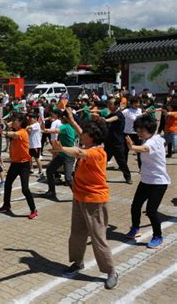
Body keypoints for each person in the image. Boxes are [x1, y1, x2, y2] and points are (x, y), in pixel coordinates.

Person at [51, 109, 118, 290]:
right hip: (79, 198)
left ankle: (111, 271)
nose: (82, 135)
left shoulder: (97, 153)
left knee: (98, 238)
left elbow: (79, 153)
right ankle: (78, 262)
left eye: (86, 134)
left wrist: (62, 149)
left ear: (93, 137)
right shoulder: (89, 144)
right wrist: (72, 119)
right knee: (77, 234)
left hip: (95, 200)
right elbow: (81, 134)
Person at [125, 114, 171, 249]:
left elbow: (145, 149)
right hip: (146, 181)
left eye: (142, 131)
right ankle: (135, 229)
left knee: (151, 211)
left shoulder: (154, 140)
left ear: (150, 130)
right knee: (135, 206)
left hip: (158, 183)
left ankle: (158, 236)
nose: (139, 133)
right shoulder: (147, 139)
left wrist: (132, 147)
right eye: (137, 130)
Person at [0, 114, 38, 219]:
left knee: (25, 189)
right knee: (8, 184)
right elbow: (10, 130)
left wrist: (2, 132)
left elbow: (14, 134)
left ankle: (33, 209)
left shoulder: (23, 132)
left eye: (15, 120)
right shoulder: (15, 130)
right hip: (15, 163)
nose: (13, 121)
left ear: (21, 122)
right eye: (13, 120)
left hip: (24, 164)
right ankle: (6, 205)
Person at [42, 111, 77, 200]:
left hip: (68, 156)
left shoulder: (65, 126)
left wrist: (45, 130)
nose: (60, 120)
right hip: (62, 155)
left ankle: (78, 195)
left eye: (61, 118)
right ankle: (51, 192)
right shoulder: (72, 127)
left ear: (64, 118)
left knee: (68, 178)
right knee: (49, 170)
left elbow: (55, 130)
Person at [104, 98, 132, 184]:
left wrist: (104, 120)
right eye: (108, 104)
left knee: (121, 162)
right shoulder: (108, 115)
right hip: (108, 143)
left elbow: (114, 118)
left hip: (118, 143)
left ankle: (128, 178)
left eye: (110, 104)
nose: (108, 106)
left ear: (116, 105)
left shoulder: (119, 115)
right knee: (103, 161)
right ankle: (99, 177)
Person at [122, 96, 142, 168]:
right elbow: (119, 116)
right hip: (127, 133)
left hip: (138, 133)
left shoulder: (140, 110)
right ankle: (124, 166)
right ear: (131, 104)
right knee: (125, 151)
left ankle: (141, 167)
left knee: (139, 151)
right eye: (135, 103)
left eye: (138, 103)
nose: (137, 104)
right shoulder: (126, 111)